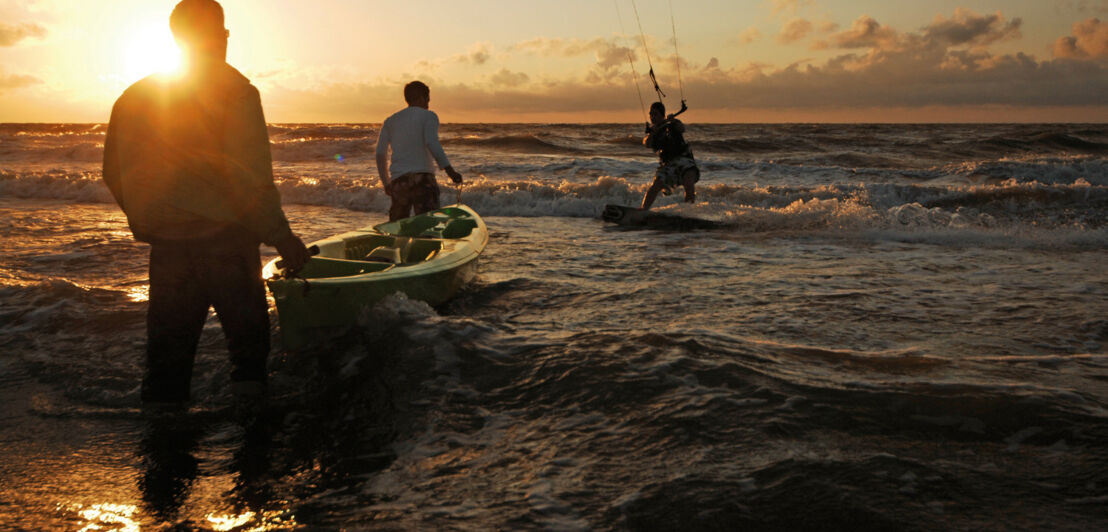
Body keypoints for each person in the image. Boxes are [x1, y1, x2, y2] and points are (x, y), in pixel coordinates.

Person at [102, 0, 310, 405]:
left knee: (166, 365)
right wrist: (283, 238)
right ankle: (252, 454)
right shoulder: (236, 91)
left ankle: (164, 454)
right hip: (228, 247)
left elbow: (114, 172)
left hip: (168, 250)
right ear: (221, 36)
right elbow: (249, 178)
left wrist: (151, 217)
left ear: (176, 38)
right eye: (223, 31)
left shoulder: (135, 98)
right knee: (248, 358)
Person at [375, 81, 463, 221]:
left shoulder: (390, 121)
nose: (428, 104)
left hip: (399, 181)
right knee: (428, 225)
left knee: (398, 227)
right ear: (422, 98)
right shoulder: (429, 116)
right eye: (428, 99)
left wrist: (386, 183)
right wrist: (450, 171)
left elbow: (380, 154)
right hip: (423, 180)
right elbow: (432, 142)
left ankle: (398, 243)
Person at [641, 101, 699, 210]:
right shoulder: (653, 131)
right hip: (668, 164)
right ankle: (643, 210)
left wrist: (673, 121)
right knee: (656, 185)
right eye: (651, 114)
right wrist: (653, 132)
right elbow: (647, 144)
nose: (652, 117)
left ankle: (689, 211)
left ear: (662, 115)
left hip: (684, 159)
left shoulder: (672, 124)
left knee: (689, 182)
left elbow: (682, 128)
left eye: (655, 114)